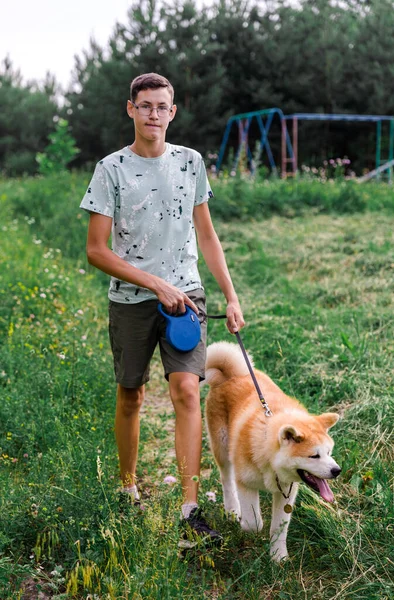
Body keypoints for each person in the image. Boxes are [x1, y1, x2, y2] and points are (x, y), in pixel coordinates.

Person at [80, 72, 244, 544]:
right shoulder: (110, 169)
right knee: (131, 394)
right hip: (131, 300)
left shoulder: (191, 163)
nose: (154, 114)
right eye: (145, 105)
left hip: (187, 298)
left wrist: (230, 295)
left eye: (162, 107)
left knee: (188, 393)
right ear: (130, 109)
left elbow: (207, 235)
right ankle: (128, 489)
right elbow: (96, 250)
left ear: (173, 113)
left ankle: (190, 508)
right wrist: (153, 282)